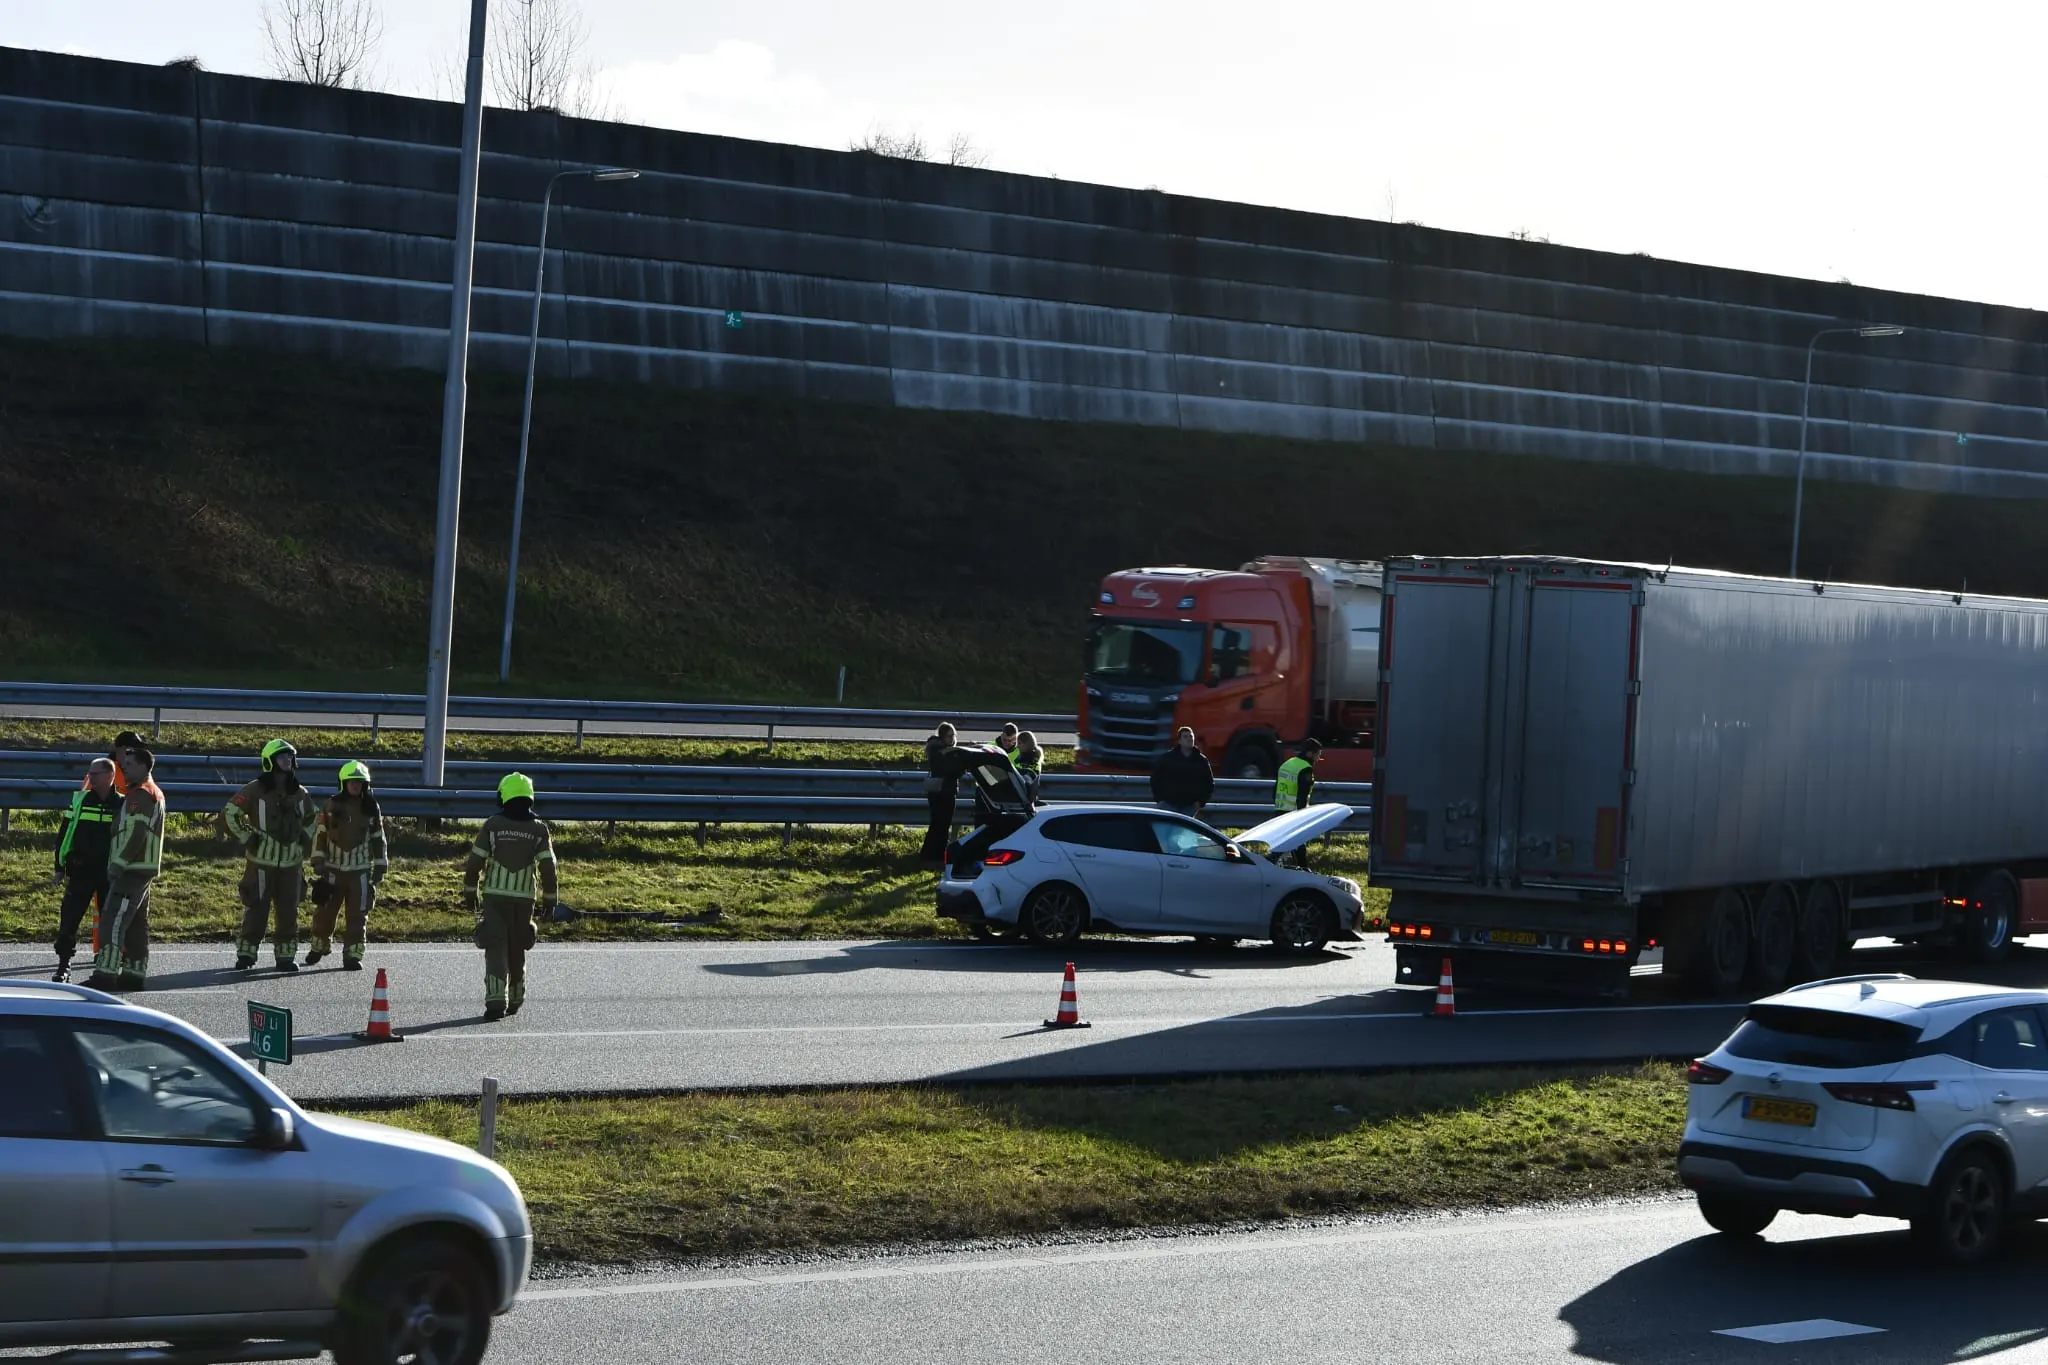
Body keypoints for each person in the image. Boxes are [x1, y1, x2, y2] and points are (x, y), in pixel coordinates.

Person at [463, 772, 559, 1021]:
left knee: (496, 946)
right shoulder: (539, 829)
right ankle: (516, 997)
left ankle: (496, 1000)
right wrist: (550, 899)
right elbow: (548, 868)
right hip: (524, 899)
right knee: (517, 947)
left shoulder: (493, 825)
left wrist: (470, 892)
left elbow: (475, 862)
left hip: (495, 897)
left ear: (503, 796)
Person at [220, 738, 320, 973]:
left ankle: (285, 957)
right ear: (270, 761)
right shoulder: (255, 789)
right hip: (261, 864)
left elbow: (313, 817)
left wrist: (303, 839)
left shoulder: (299, 792)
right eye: (282, 757)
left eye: (290, 757)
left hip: (291, 865)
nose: (287, 761)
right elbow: (231, 812)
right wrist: (246, 837)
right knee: (256, 908)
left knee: (288, 910)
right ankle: (246, 953)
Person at [85, 745, 164, 992]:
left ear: (143, 766)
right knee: (137, 924)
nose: (124, 769)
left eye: (129, 765)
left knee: (112, 921)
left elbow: (137, 833)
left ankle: (105, 974)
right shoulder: (150, 792)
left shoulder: (140, 794)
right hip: (143, 869)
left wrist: (119, 864)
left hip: (131, 869)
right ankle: (133, 973)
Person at [306, 759, 388, 971]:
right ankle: (318, 947)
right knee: (324, 913)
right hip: (333, 870)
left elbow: (379, 838)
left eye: (360, 782)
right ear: (343, 783)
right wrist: (318, 861)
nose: (355, 786)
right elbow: (320, 834)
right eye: (351, 782)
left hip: (360, 872)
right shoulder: (331, 804)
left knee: (358, 916)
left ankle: (353, 955)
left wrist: (380, 866)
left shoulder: (371, 807)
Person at [51, 758, 122, 982]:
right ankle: (64, 965)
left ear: (110, 776)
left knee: (108, 919)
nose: (90, 777)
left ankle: (105, 963)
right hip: (81, 869)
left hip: (109, 872)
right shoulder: (81, 800)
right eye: (90, 773)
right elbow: (65, 833)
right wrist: (59, 866)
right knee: (70, 917)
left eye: (96, 774)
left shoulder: (122, 803)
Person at [1274, 739, 1323, 869]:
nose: (1318, 758)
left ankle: (1271, 865)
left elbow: (1276, 788)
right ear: (1310, 754)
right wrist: (1302, 814)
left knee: (1282, 842)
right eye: (1318, 755)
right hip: (1294, 811)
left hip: (1280, 808)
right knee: (1298, 842)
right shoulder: (1305, 769)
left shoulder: (1287, 764)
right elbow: (1302, 795)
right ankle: (1304, 869)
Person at [1150, 727, 1215, 819]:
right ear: (1179, 741)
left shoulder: (1201, 760)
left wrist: (1200, 802)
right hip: (1169, 804)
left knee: (1183, 832)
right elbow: (1155, 779)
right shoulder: (1167, 758)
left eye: (1191, 736)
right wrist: (1160, 800)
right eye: (1185, 737)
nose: (1189, 739)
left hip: (1190, 806)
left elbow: (1209, 783)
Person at [919, 722, 960, 863]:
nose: (952, 738)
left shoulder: (936, 749)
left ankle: (930, 855)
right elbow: (951, 771)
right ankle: (935, 856)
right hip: (944, 791)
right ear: (942, 736)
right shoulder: (943, 752)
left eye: (953, 735)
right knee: (941, 825)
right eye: (949, 736)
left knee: (938, 825)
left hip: (940, 791)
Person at [1014, 731, 1045, 807]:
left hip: (1027, 798)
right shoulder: (1027, 757)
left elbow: (1027, 779)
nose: (1017, 746)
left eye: (1019, 743)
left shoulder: (1031, 760)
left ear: (1026, 744)